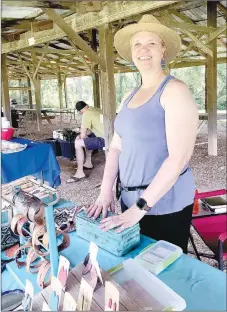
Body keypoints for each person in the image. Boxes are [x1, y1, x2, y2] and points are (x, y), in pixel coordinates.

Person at [87, 14, 198, 253]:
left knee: (163, 271)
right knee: (135, 268)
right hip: (129, 200)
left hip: (164, 204)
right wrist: (106, 190)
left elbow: (179, 158)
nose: (143, 50)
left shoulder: (175, 91)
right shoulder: (129, 95)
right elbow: (117, 145)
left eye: (151, 43)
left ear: (163, 51)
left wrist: (139, 208)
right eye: (137, 44)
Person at [67, 101, 105, 183]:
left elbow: (83, 134)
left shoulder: (86, 113)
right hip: (110, 135)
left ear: (80, 111)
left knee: (78, 143)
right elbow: (92, 129)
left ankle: (80, 173)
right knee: (87, 138)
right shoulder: (96, 109)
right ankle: (88, 163)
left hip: (105, 139)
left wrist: (80, 136)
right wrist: (82, 136)